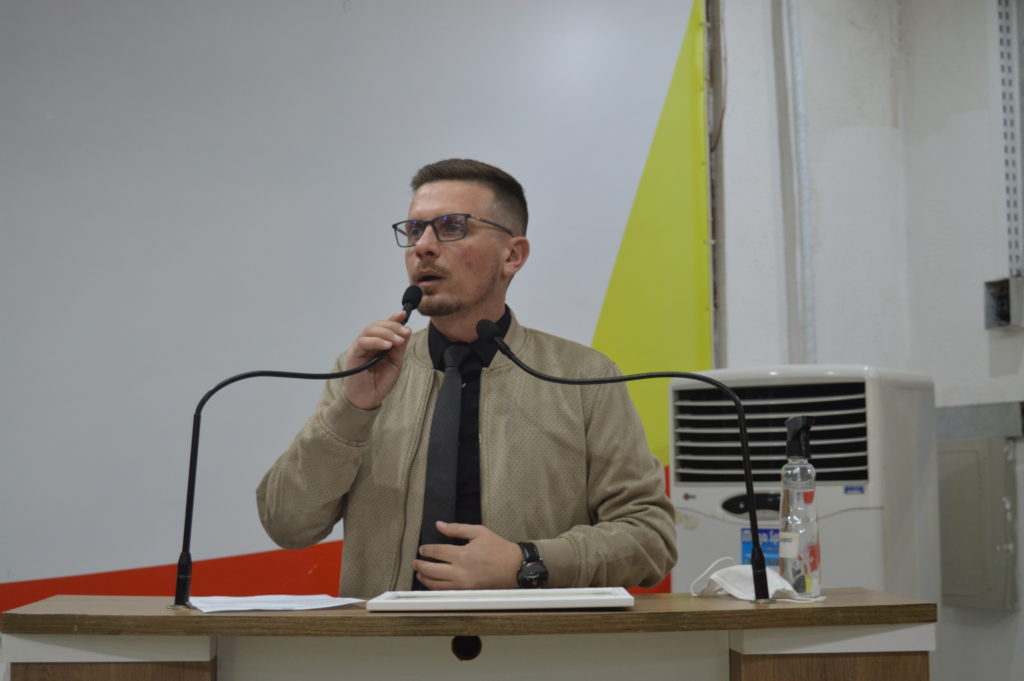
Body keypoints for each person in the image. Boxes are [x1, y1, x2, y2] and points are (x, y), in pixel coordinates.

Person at [257, 159, 676, 598]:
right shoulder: (362, 371)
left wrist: (527, 562)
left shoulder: (584, 377)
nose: (424, 247)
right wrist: (351, 411)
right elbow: (287, 524)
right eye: (415, 230)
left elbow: (650, 537)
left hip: (529, 640)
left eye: (452, 227)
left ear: (512, 255)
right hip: (387, 640)